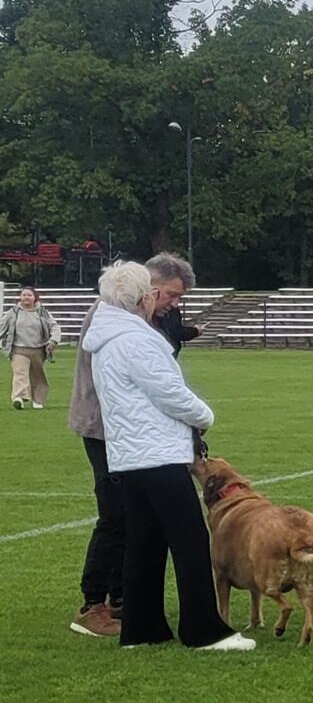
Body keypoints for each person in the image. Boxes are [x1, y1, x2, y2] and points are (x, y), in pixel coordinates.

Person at [82, 261, 250, 650]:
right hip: (156, 453)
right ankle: (203, 630)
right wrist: (205, 415)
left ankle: (142, 628)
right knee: (190, 540)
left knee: (145, 542)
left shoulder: (108, 337)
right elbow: (171, 394)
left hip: (131, 453)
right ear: (144, 297)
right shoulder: (135, 340)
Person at [64, 253, 199, 639]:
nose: (174, 303)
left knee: (140, 517)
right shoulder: (111, 312)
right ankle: (93, 604)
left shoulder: (148, 317)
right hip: (104, 428)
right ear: (151, 285)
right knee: (116, 514)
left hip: (134, 433)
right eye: (172, 295)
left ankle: (125, 597)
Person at [4, 285, 59, 409]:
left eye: (29, 295)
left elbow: (54, 326)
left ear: (35, 298)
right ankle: (18, 398)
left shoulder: (42, 312)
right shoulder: (13, 312)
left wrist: (53, 340)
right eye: (24, 295)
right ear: (20, 297)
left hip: (38, 350)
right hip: (19, 349)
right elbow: (2, 326)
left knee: (38, 376)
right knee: (20, 373)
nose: (26, 297)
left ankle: (38, 400)